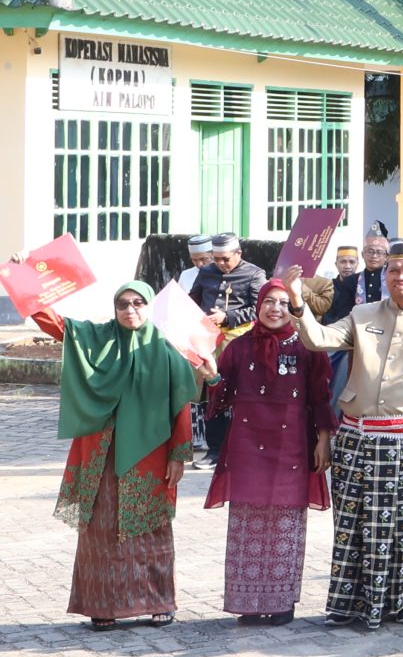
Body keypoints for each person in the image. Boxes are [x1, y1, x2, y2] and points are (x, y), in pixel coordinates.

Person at [287, 241, 403, 629]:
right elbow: (318, 340)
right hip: (357, 436)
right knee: (351, 522)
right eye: (394, 271)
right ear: (385, 276)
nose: (401, 277)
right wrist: (298, 305)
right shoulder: (362, 313)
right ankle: (347, 602)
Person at [41, 282, 200, 630]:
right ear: (115, 308)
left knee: (150, 529)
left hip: (150, 457)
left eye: (138, 303)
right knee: (100, 529)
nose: (131, 310)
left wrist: (177, 455)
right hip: (101, 455)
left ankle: (159, 602)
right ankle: (102, 605)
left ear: (148, 307)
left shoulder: (164, 349)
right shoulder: (97, 339)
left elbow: (180, 408)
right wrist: (24, 274)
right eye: (123, 304)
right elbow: (50, 322)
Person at [207, 280, 332, 623]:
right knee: (247, 522)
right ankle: (247, 601)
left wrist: (323, 440)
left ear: (292, 306)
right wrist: (211, 378)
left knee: (284, 523)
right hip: (247, 442)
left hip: (291, 444)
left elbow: (321, 398)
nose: (275, 308)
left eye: (282, 302)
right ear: (258, 306)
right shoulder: (239, 346)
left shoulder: (307, 345)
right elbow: (223, 393)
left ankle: (280, 602)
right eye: (268, 302)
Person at [186, 233, 266, 468]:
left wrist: (228, 316)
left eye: (225, 259)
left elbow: (261, 309)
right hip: (209, 343)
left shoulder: (254, 274)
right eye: (216, 258)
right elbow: (194, 299)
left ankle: (246, 449)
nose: (220, 264)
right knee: (214, 395)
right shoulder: (206, 272)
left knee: (243, 395)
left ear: (238, 253)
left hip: (241, 342)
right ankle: (215, 450)